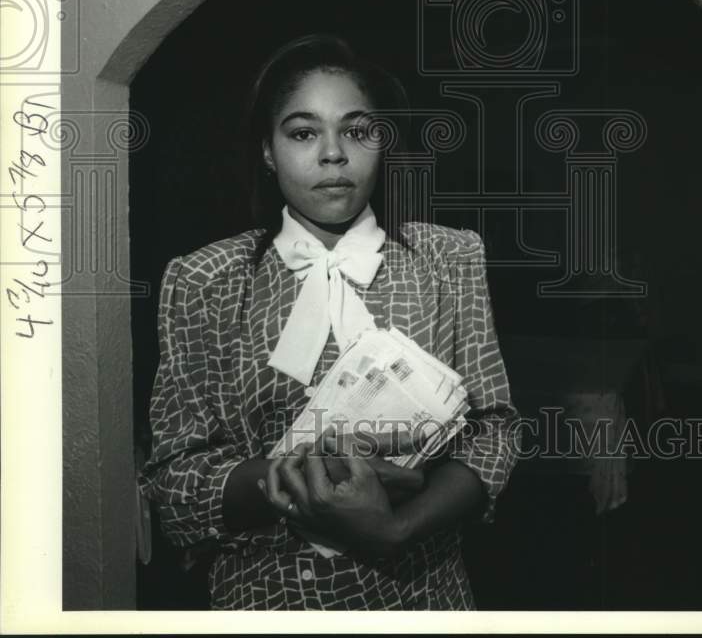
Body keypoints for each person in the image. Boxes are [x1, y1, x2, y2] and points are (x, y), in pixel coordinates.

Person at [139, 34, 519, 610]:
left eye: (357, 130)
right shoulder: (207, 279)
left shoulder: (449, 259)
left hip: (422, 594)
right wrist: (312, 483)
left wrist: (398, 527)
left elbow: (494, 431)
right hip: (268, 596)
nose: (333, 153)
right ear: (268, 151)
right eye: (303, 132)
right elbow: (175, 479)